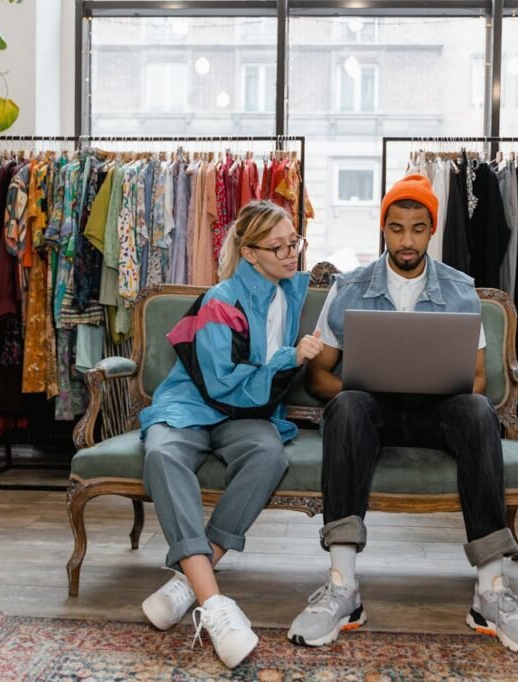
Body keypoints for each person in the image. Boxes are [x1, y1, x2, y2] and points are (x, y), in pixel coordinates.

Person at [287, 175, 518, 656]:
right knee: (347, 405)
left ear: (432, 229)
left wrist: (435, 384)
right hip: (372, 414)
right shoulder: (348, 288)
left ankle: (491, 592)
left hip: (437, 414)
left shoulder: (459, 289)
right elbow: (318, 377)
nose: (406, 240)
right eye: (395, 228)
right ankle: (342, 586)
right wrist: (364, 384)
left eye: (416, 228)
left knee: (476, 410)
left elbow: (477, 379)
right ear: (383, 230)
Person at [138, 201, 324, 669]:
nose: (290, 253)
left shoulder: (289, 292)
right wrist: (289, 357)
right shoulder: (223, 300)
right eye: (277, 246)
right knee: (162, 454)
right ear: (249, 252)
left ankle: (191, 578)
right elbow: (221, 384)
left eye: (294, 243)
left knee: (268, 456)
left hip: (248, 414)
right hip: (195, 405)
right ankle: (215, 606)